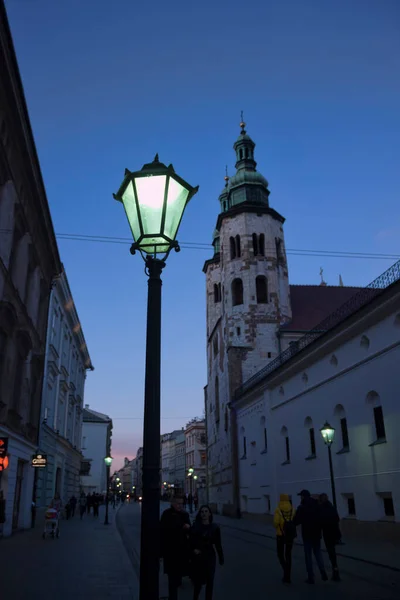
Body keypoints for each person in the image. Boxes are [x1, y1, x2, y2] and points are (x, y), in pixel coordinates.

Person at [293, 490, 328, 584]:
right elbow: (322, 518)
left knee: (308, 556)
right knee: (318, 553)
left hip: (307, 534)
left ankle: (310, 576)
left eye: (301, 496)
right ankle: (322, 571)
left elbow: (296, 521)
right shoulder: (317, 505)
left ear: (303, 497)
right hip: (317, 534)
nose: (300, 498)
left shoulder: (302, 507)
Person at [190, 505, 224, 600]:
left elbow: (218, 544)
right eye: (202, 512)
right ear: (200, 514)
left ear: (209, 514)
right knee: (198, 583)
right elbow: (190, 542)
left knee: (210, 581)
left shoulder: (214, 528)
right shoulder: (196, 526)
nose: (204, 513)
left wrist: (221, 557)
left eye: (206, 511)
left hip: (209, 556)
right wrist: (193, 550)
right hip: (198, 557)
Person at [160, 495, 191, 600]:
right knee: (172, 577)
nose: (180, 505)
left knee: (178, 575)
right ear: (172, 503)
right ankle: (172, 597)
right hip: (170, 550)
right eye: (178, 503)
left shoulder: (185, 514)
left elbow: (189, 530)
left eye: (181, 504)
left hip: (182, 550)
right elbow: (163, 531)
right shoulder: (167, 514)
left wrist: (187, 528)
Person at [273, 494, 296, 584]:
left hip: (280, 535)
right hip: (290, 535)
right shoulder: (293, 509)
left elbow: (275, 523)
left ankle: (285, 571)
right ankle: (288, 574)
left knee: (280, 554)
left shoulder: (278, 510)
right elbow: (294, 520)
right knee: (288, 555)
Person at [319, 493, 341, 581]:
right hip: (335, 532)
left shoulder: (321, 509)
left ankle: (335, 572)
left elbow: (320, 521)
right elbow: (337, 519)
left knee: (331, 552)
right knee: (333, 552)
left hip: (327, 533)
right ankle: (335, 570)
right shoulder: (332, 507)